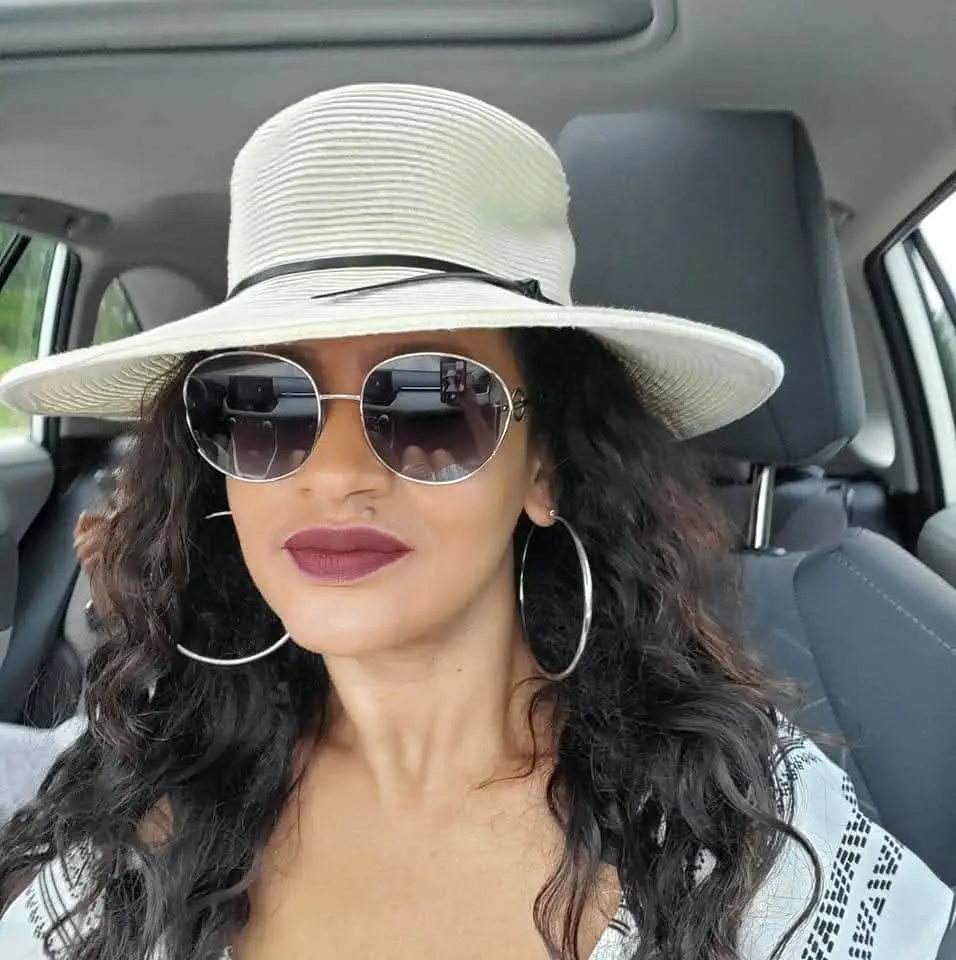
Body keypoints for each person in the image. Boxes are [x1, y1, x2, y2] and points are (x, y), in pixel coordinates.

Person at [0, 84, 950, 960]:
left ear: (545, 468)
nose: (334, 478)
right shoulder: (141, 787)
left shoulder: (740, 835)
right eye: (263, 404)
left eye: (430, 405)